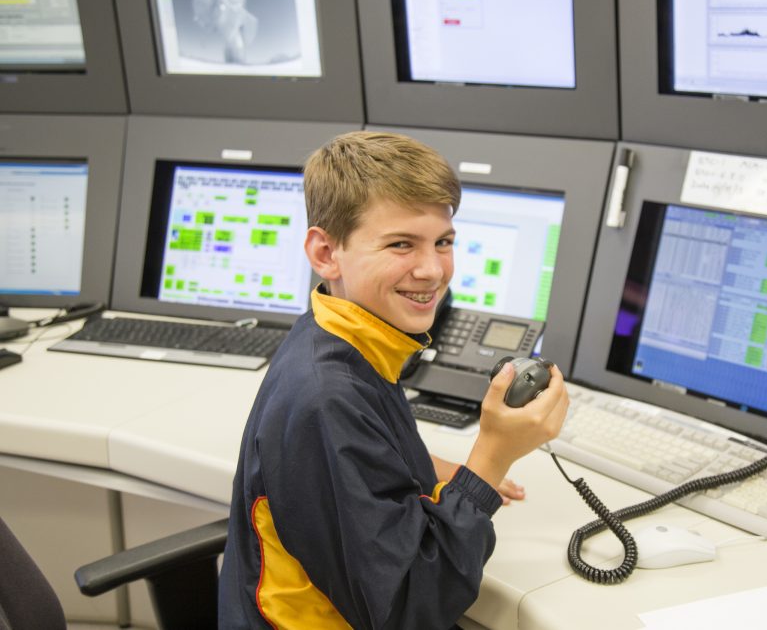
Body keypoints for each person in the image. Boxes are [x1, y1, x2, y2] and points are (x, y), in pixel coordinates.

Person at [218, 131, 570, 629]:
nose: (431, 270)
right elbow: (411, 607)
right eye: (401, 244)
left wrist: (425, 465)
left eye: (443, 242)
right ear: (325, 253)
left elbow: (352, 458)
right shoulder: (327, 398)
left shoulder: (337, 334)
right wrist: (491, 458)